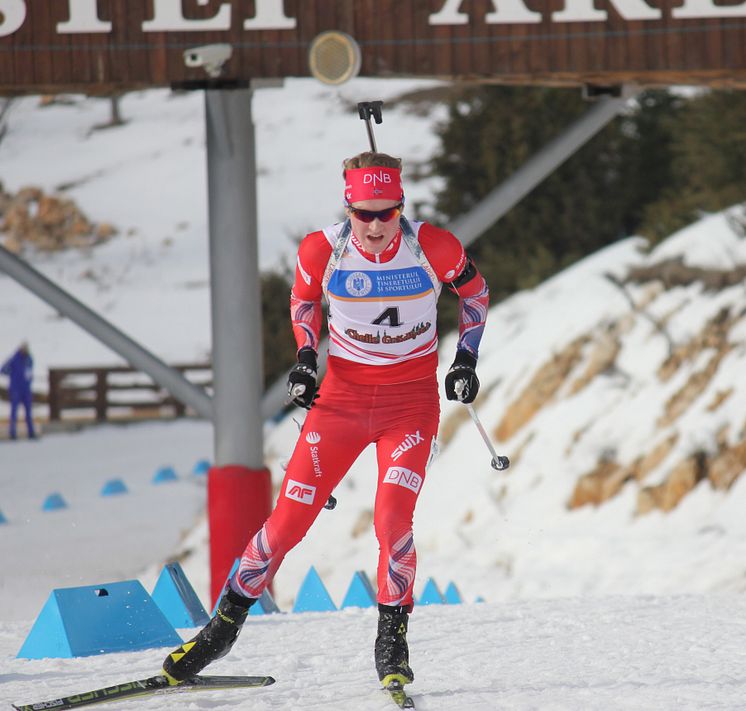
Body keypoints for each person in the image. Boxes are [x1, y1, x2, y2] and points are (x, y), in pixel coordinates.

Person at [162, 151, 489, 690]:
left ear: (402, 206)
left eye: (389, 212)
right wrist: (305, 360)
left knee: (391, 521)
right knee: (287, 524)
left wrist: (465, 360)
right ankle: (220, 630)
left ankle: (392, 639)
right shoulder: (324, 248)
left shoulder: (432, 245)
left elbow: (474, 294)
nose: (378, 225)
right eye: (366, 214)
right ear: (349, 208)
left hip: (409, 407)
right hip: (341, 403)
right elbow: (303, 301)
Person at [1, 341, 36, 440]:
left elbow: (30, 371)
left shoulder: (29, 359)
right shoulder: (14, 358)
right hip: (16, 388)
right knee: (14, 411)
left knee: (28, 412)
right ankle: (12, 432)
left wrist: (29, 380)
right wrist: (12, 374)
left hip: (26, 389)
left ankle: (31, 432)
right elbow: (3, 369)